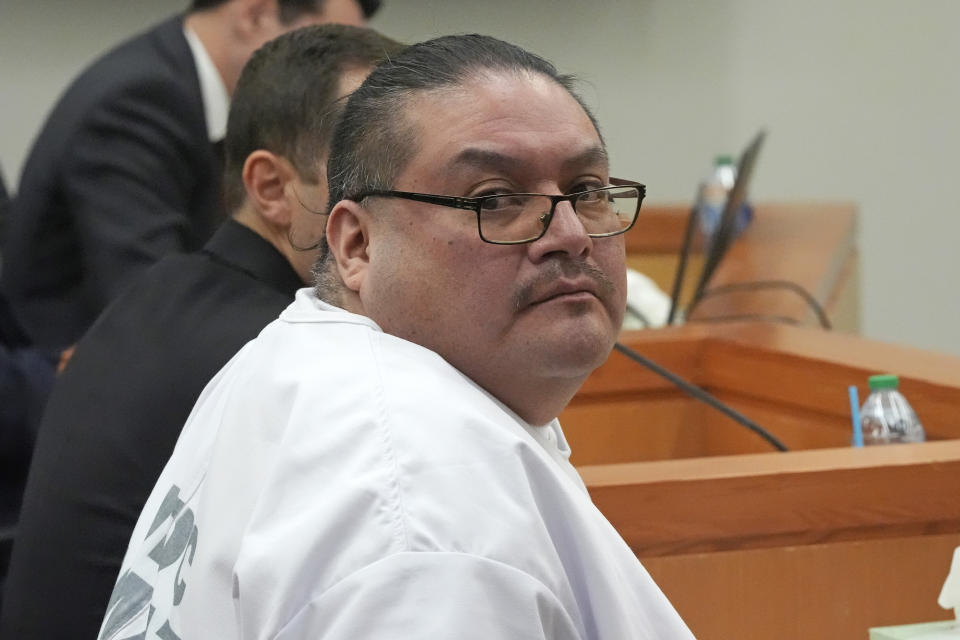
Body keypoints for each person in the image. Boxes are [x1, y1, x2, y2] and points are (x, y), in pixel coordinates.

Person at [99, 34, 694, 639]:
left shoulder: (295, 357)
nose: (568, 232)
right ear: (357, 244)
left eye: (588, 191)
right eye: (494, 199)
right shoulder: (429, 512)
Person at [0, 24, 404, 640]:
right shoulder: (283, 353)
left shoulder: (163, 294)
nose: (418, 200)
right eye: (376, 165)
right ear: (271, 187)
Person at [0, 0, 379, 351]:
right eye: (322, 50)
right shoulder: (138, 99)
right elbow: (152, 299)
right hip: (58, 379)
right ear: (256, 15)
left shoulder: (178, 85)